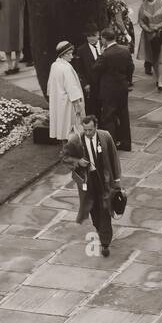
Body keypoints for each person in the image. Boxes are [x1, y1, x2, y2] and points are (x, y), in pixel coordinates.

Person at [61, 116, 121, 257]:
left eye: (91, 130)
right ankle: (100, 230)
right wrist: (77, 161)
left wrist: (117, 179)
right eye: (85, 130)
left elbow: (114, 157)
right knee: (93, 207)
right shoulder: (76, 140)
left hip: (105, 179)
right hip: (88, 180)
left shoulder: (105, 136)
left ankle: (105, 242)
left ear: (96, 126)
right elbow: (64, 157)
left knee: (105, 206)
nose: (88, 133)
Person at [93, 28, 134, 152]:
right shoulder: (125, 50)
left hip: (109, 90)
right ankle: (126, 144)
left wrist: (100, 54)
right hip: (122, 87)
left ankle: (111, 145)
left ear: (104, 39)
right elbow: (130, 68)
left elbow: (95, 69)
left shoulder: (105, 54)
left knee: (109, 117)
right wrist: (126, 80)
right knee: (123, 115)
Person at [47, 40, 85, 141]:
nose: (71, 56)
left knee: (62, 128)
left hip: (59, 103)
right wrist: (78, 107)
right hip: (68, 105)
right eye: (69, 54)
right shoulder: (66, 68)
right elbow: (72, 88)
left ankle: (65, 150)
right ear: (62, 54)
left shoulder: (54, 65)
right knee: (72, 129)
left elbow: (50, 87)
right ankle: (72, 152)